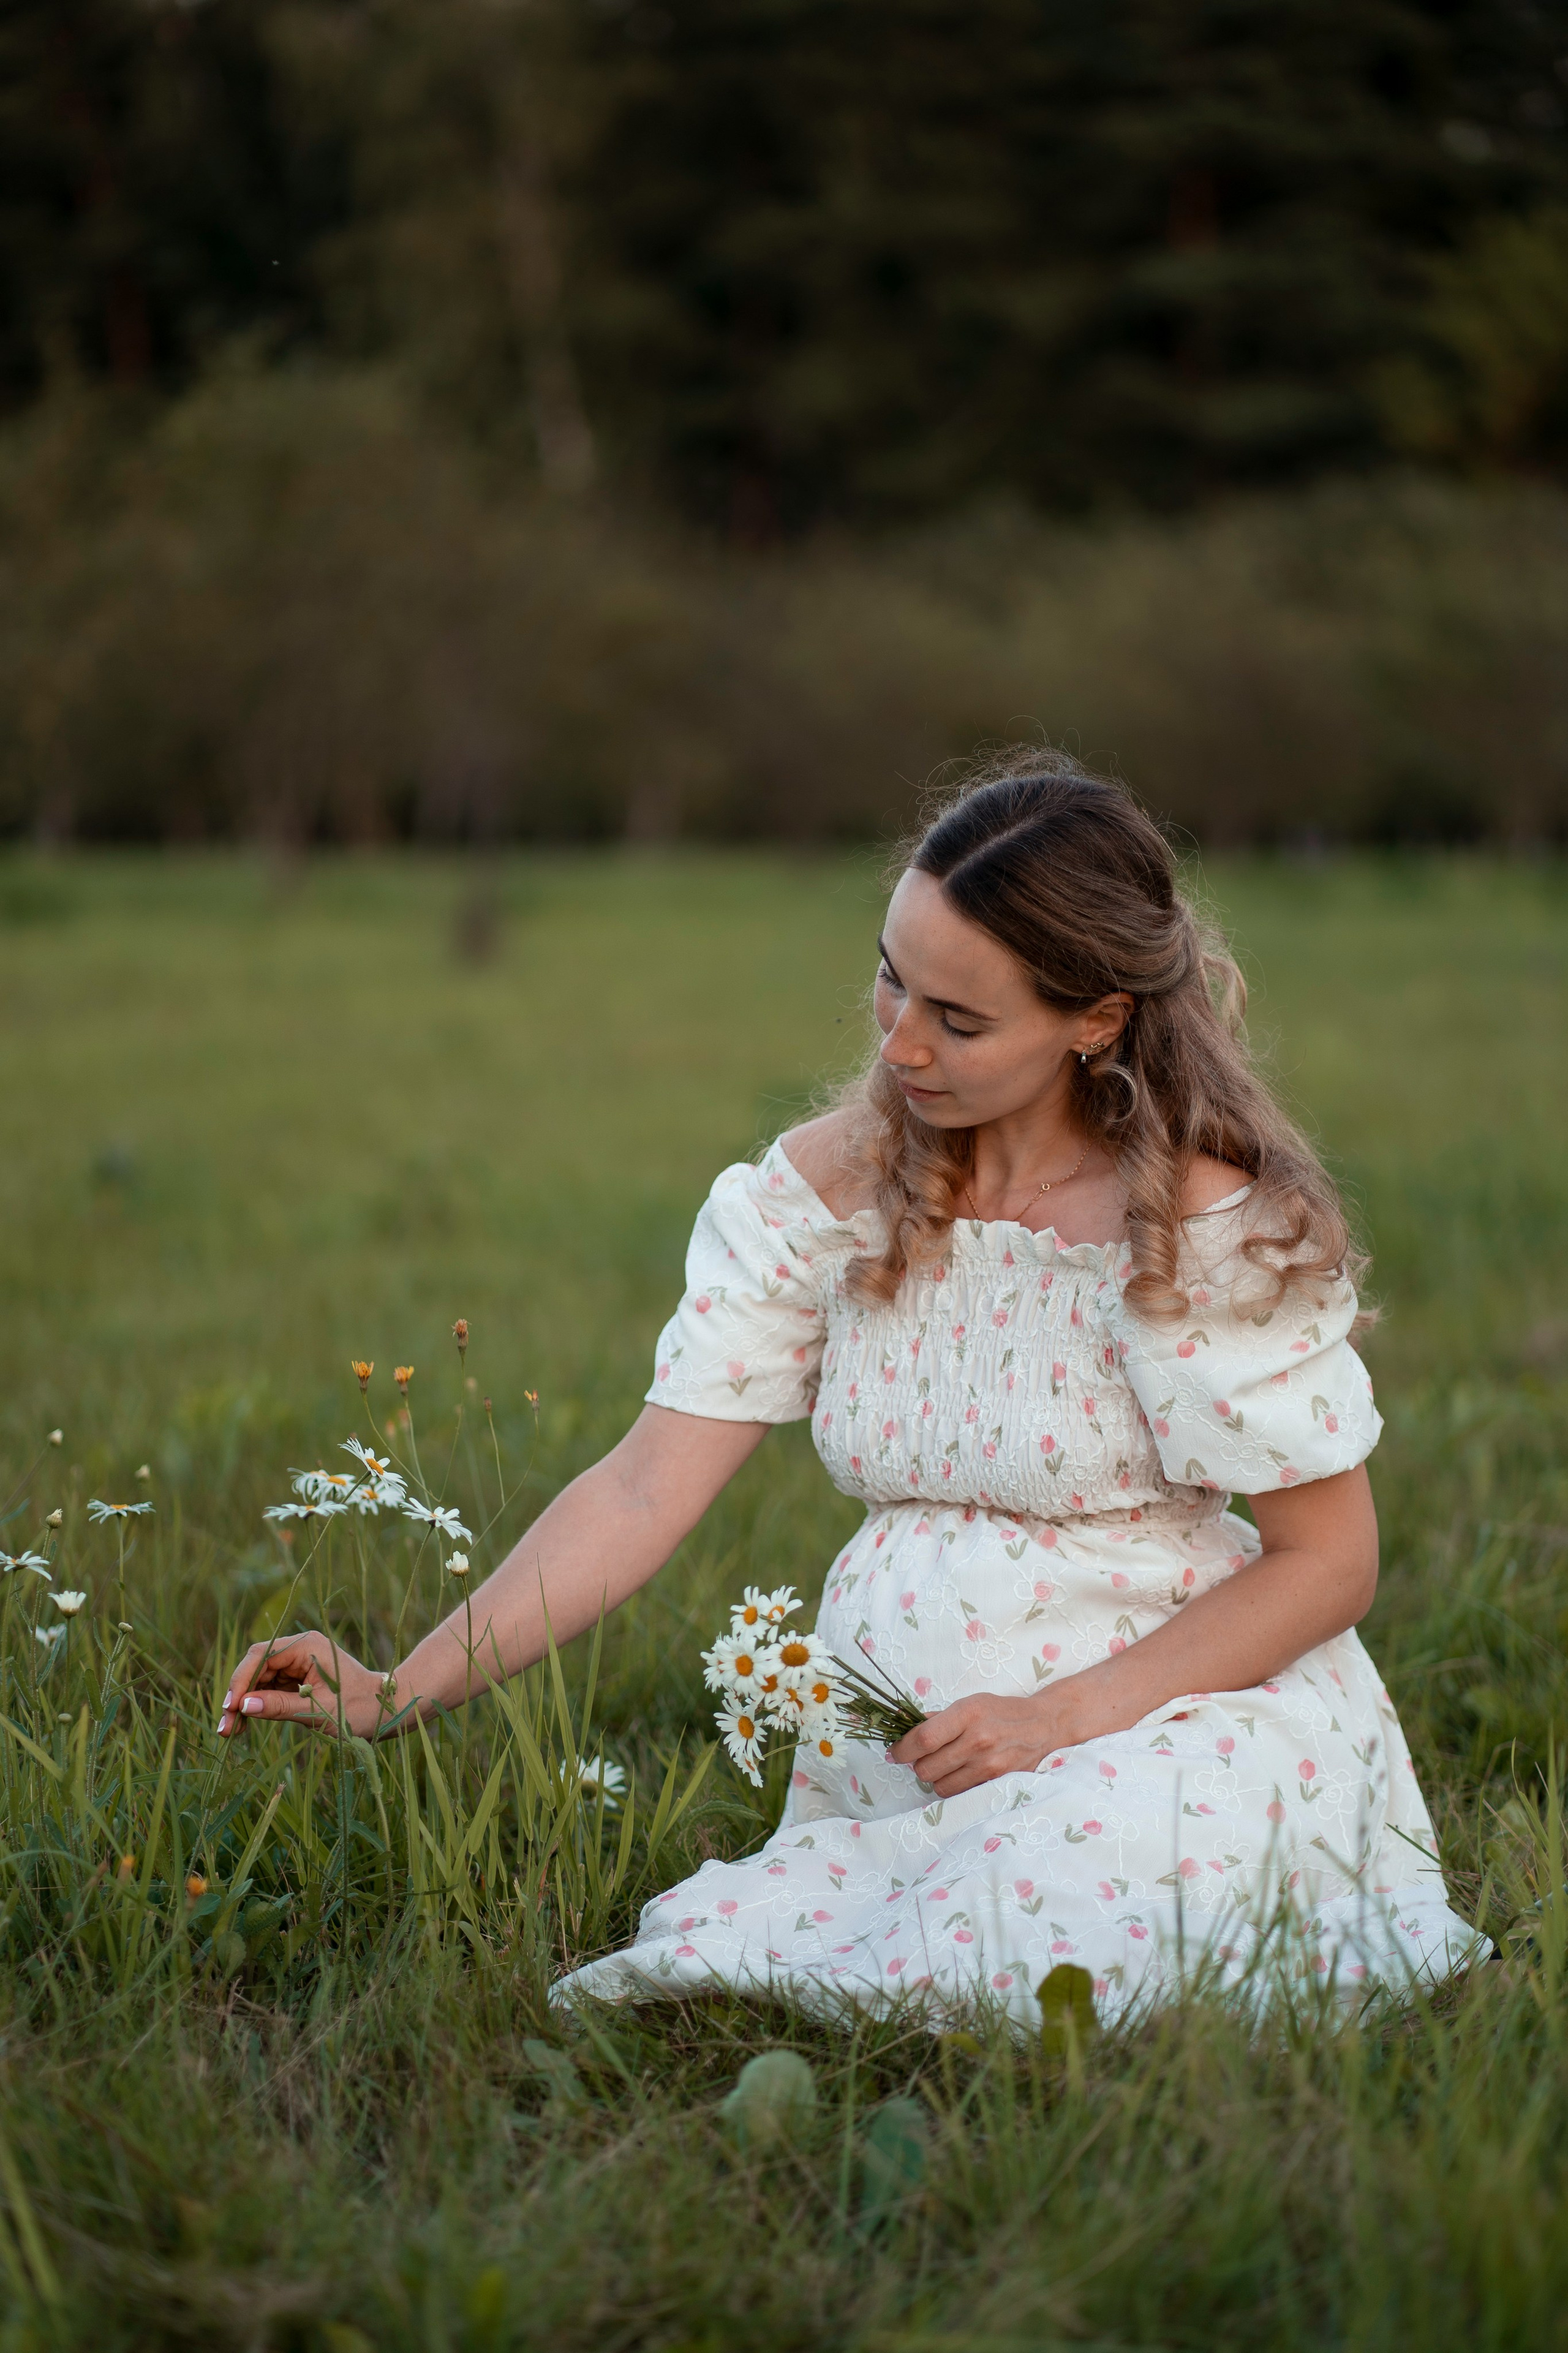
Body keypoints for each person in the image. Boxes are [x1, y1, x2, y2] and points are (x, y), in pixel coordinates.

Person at [219, 755, 1480, 2023]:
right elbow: (645, 1484)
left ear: (1093, 1017)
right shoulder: (819, 1198)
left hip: (1168, 1715)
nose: (898, 1040)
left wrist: (1058, 1717)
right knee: (917, 1947)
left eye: (958, 1017)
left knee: (1062, 1931)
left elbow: (1328, 1563)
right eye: (891, 976)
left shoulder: (1194, 1227)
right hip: (908, 1752)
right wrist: (399, 1689)